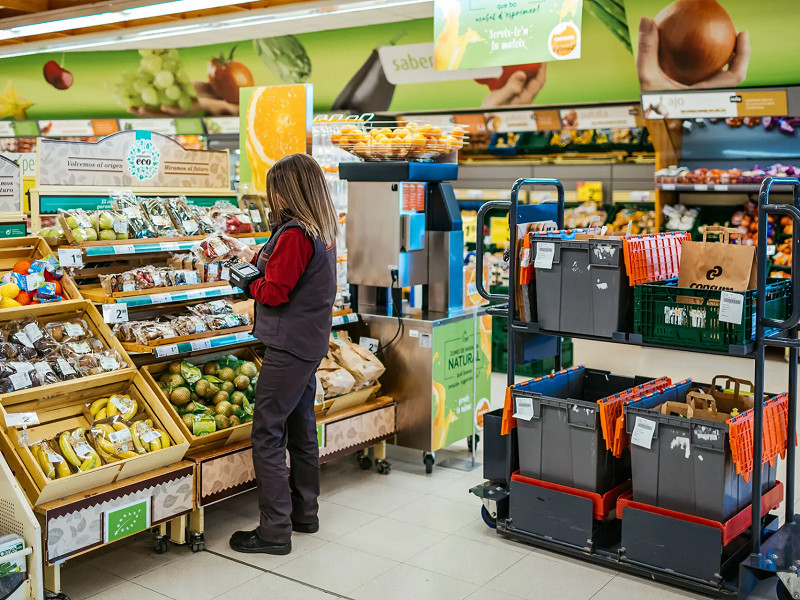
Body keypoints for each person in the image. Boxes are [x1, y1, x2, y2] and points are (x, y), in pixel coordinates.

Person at [228, 153, 338, 555]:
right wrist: (252, 255)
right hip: (309, 343)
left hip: (289, 346)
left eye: (275, 187)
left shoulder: (295, 235)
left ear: (289, 189)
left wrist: (244, 280)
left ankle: (274, 530)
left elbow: (274, 292)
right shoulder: (321, 228)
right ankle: (304, 512)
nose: (271, 195)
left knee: (267, 433)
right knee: (302, 430)